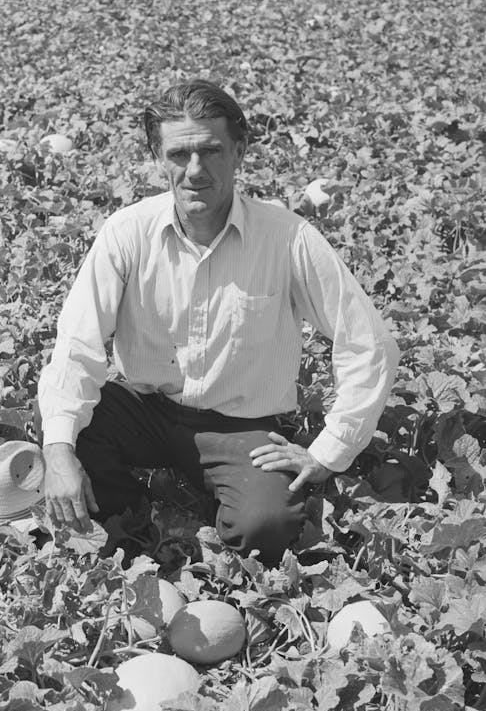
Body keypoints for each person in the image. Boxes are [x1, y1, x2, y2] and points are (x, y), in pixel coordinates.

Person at [36, 79, 400, 567]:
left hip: (239, 427)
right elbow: (76, 345)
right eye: (179, 154)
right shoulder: (126, 234)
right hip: (146, 408)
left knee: (264, 528)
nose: (195, 171)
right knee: (63, 436)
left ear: (239, 150)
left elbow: (368, 343)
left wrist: (327, 452)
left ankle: (218, 500)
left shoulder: (287, 238)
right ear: (157, 155)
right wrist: (60, 455)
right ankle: (131, 515)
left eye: (210, 151)